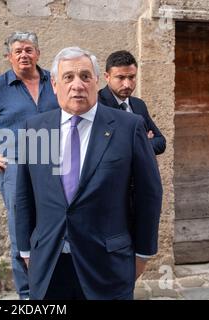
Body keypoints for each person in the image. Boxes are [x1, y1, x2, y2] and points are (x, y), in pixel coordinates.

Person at [15, 47, 163, 300]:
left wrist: (142, 254)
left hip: (107, 264)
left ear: (96, 80)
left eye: (85, 76)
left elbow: (149, 193)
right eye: (68, 77)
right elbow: (24, 194)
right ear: (54, 84)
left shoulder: (128, 127)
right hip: (49, 264)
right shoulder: (35, 128)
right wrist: (27, 251)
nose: (77, 85)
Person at [0, 31, 59, 299]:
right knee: (22, 233)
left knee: (57, 228)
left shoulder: (56, 81)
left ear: (38, 53)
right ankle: (28, 295)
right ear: (9, 57)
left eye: (29, 49)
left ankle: (54, 288)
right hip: (16, 169)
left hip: (55, 167)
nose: (24, 55)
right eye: (18, 51)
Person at [98, 50, 166, 155]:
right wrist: (143, 141)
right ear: (107, 77)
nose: (127, 84)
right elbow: (107, 149)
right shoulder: (97, 104)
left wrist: (130, 145)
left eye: (131, 77)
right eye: (120, 78)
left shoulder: (139, 104)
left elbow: (161, 143)